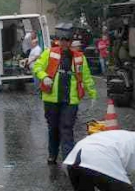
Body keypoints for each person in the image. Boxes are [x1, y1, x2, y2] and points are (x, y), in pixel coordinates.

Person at [33, 22, 97, 164]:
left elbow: (86, 77)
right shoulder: (49, 53)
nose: (64, 43)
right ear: (58, 40)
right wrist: (45, 77)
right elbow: (37, 67)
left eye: (67, 40)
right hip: (51, 98)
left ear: (70, 41)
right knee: (53, 128)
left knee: (67, 128)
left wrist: (92, 94)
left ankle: (69, 158)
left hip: (70, 100)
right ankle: (52, 154)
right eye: (62, 40)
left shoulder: (80, 57)